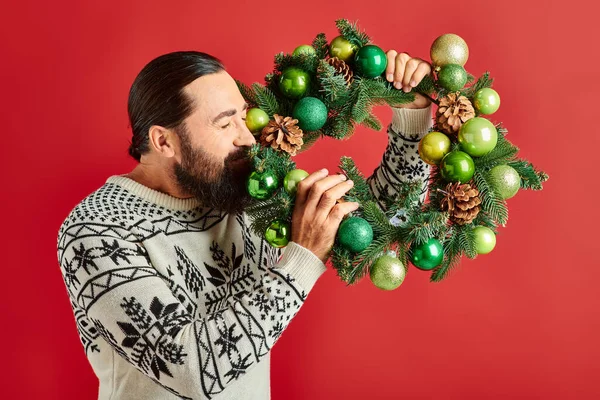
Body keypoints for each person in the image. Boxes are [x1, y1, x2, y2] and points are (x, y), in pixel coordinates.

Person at [57, 49, 433, 399]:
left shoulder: (244, 190)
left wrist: (412, 113)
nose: (247, 137)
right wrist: (301, 260)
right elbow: (192, 371)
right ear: (163, 141)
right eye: (225, 124)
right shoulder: (97, 230)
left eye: (242, 115)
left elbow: (384, 224)